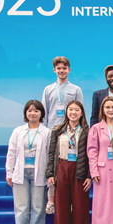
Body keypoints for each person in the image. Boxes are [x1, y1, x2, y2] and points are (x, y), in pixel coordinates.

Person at [5, 100, 51, 224]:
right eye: (30, 110)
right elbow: (11, 152)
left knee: (38, 207)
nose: (33, 113)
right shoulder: (18, 131)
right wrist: (9, 172)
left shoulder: (47, 132)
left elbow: (50, 155)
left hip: (39, 172)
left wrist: (50, 174)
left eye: (36, 111)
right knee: (21, 208)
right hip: (20, 172)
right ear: (25, 113)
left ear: (41, 114)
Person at [46, 100, 91, 224]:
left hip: (80, 168)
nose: (73, 112)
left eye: (77, 110)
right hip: (62, 167)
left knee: (80, 206)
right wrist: (50, 173)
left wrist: (89, 176)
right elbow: (51, 152)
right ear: (66, 112)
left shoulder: (86, 131)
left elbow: (91, 155)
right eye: (71, 109)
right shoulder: (57, 130)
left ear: (81, 113)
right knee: (62, 206)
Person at [41, 56, 84, 215]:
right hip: (52, 131)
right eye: (58, 68)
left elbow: (80, 110)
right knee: (53, 165)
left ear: (69, 70)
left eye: (64, 68)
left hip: (71, 132)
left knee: (68, 166)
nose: (61, 71)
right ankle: (51, 201)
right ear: (54, 70)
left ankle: (70, 201)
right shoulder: (48, 89)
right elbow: (44, 112)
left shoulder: (76, 89)